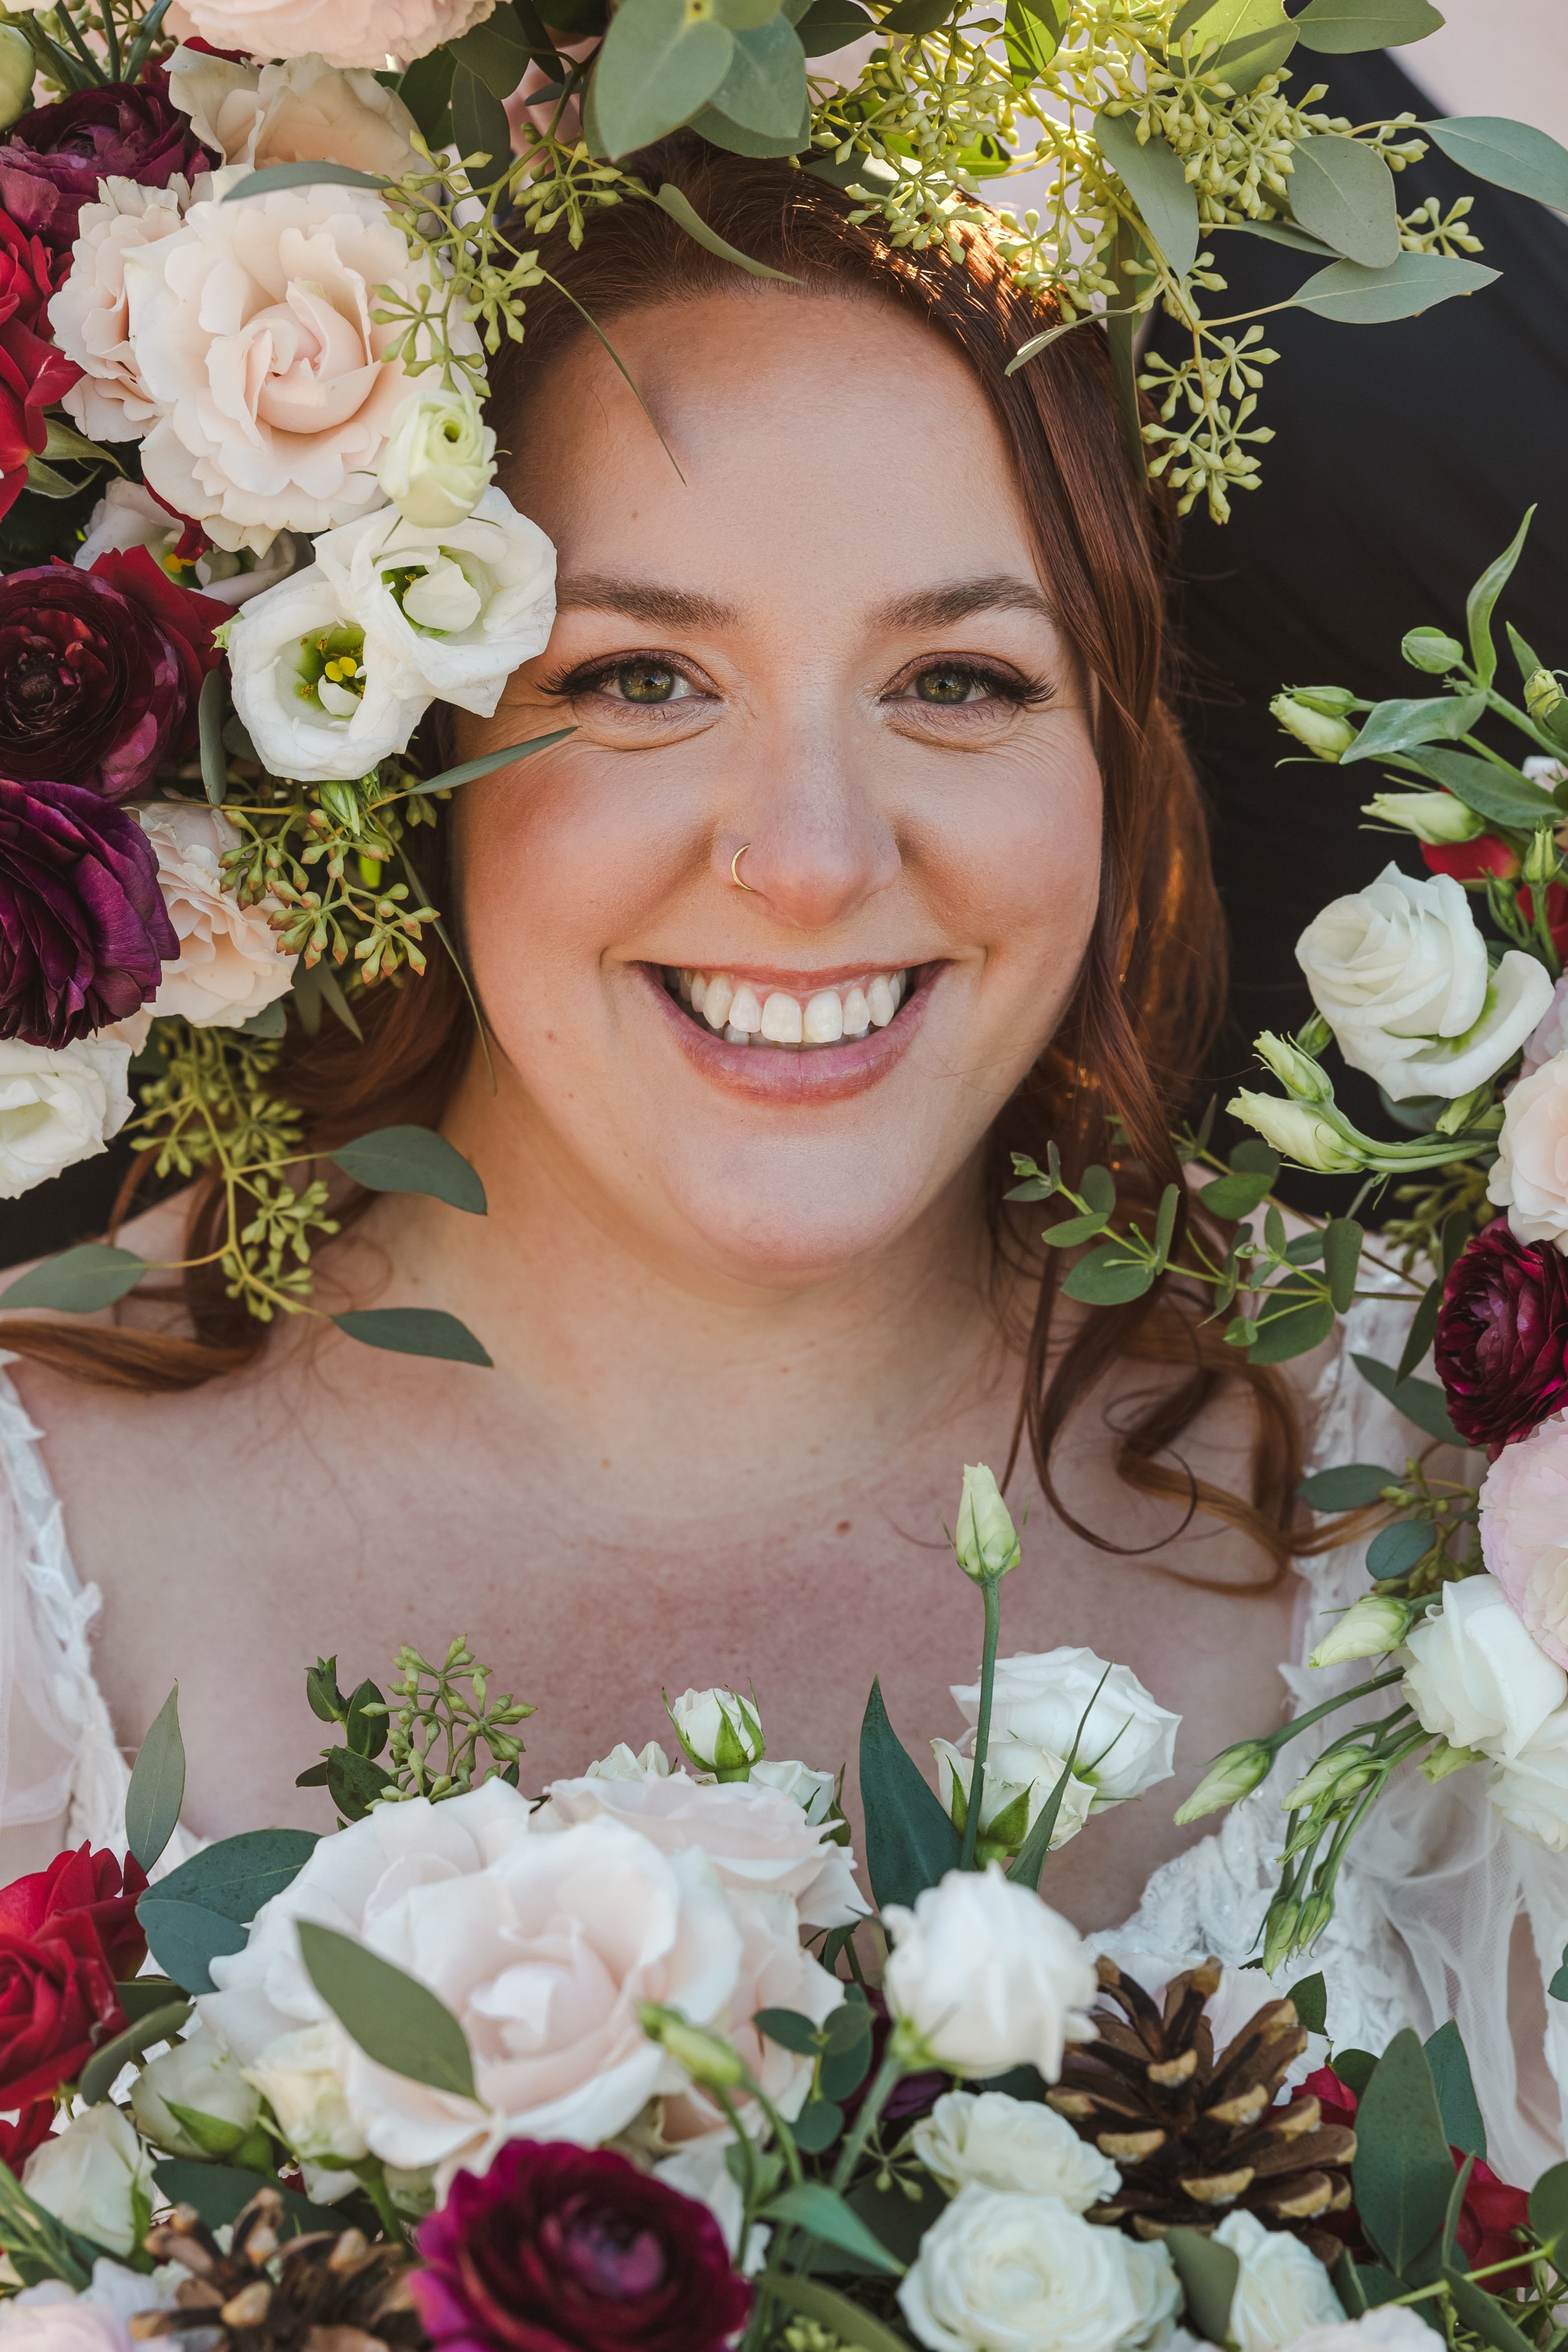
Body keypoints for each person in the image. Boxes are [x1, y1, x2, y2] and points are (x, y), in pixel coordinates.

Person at [0, 142, 1557, 2175]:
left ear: (1119, 763)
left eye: (957, 682)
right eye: (642, 679)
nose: (813, 858)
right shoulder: (39, 1575)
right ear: (407, 749)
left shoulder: (1457, 1552)